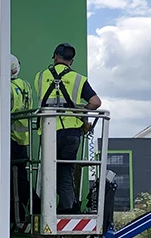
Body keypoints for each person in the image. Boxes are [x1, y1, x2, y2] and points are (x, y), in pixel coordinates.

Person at [34, 44, 101, 214]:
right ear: (71, 61)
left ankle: (45, 208)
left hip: (49, 131)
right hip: (71, 132)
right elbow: (95, 102)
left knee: (47, 169)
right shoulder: (78, 79)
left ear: (55, 57)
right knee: (65, 170)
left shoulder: (40, 77)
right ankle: (67, 207)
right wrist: (81, 111)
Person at [10, 54, 33, 226]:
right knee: (20, 180)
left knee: (13, 182)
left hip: (10, 138)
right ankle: (27, 212)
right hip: (23, 139)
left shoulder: (8, 87)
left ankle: (20, 215)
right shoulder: (25, 85)